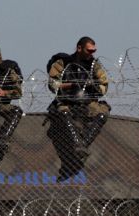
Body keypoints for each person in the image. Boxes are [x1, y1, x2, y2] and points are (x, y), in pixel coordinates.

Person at [47, 37, 111, 181]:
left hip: (87, 101)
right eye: (89, 50)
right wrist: (70, 85)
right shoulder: (62, 63)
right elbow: (52, 84)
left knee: (102, 113)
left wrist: (91, 85)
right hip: (67, 100)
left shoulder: (95, 65)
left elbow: (103, 86)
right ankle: (77, 145)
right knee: (62, 113)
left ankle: (81, 146)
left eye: (93, 51)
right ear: (79, 48)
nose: (91, 53)